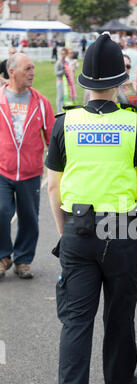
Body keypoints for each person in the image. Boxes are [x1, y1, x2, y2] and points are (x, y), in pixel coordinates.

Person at [46, 32, 137, 384]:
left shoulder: (65, 123)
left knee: (76, 321)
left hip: (78, 228)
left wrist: (65, 234)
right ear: (120, 81)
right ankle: (118, 380)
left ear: (84, 82)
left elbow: (53, 187)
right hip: (123, 229)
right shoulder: (136, 126)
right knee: (119, 311)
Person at [0, 53, 55, 280]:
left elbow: (52, 137)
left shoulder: (41, 102)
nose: (32, 73)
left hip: (31, 172)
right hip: (2, 170)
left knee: (29, 217)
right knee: (1, 211)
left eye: (33, 68)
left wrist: (58, 169)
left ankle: (23, 260)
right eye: (27, 69)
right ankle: (3, 256)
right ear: (11, 72)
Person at [54, 47, 68, 113]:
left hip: (65, 82)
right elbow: (56, 73)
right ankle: (59, 111)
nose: (63, 55)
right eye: (62, 54)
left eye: (64, 54)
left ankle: (63, 110)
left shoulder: (66, 62)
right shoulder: (59, 62)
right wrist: (63, 70)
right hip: (60, 81)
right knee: (59, 97)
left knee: (64, 97)